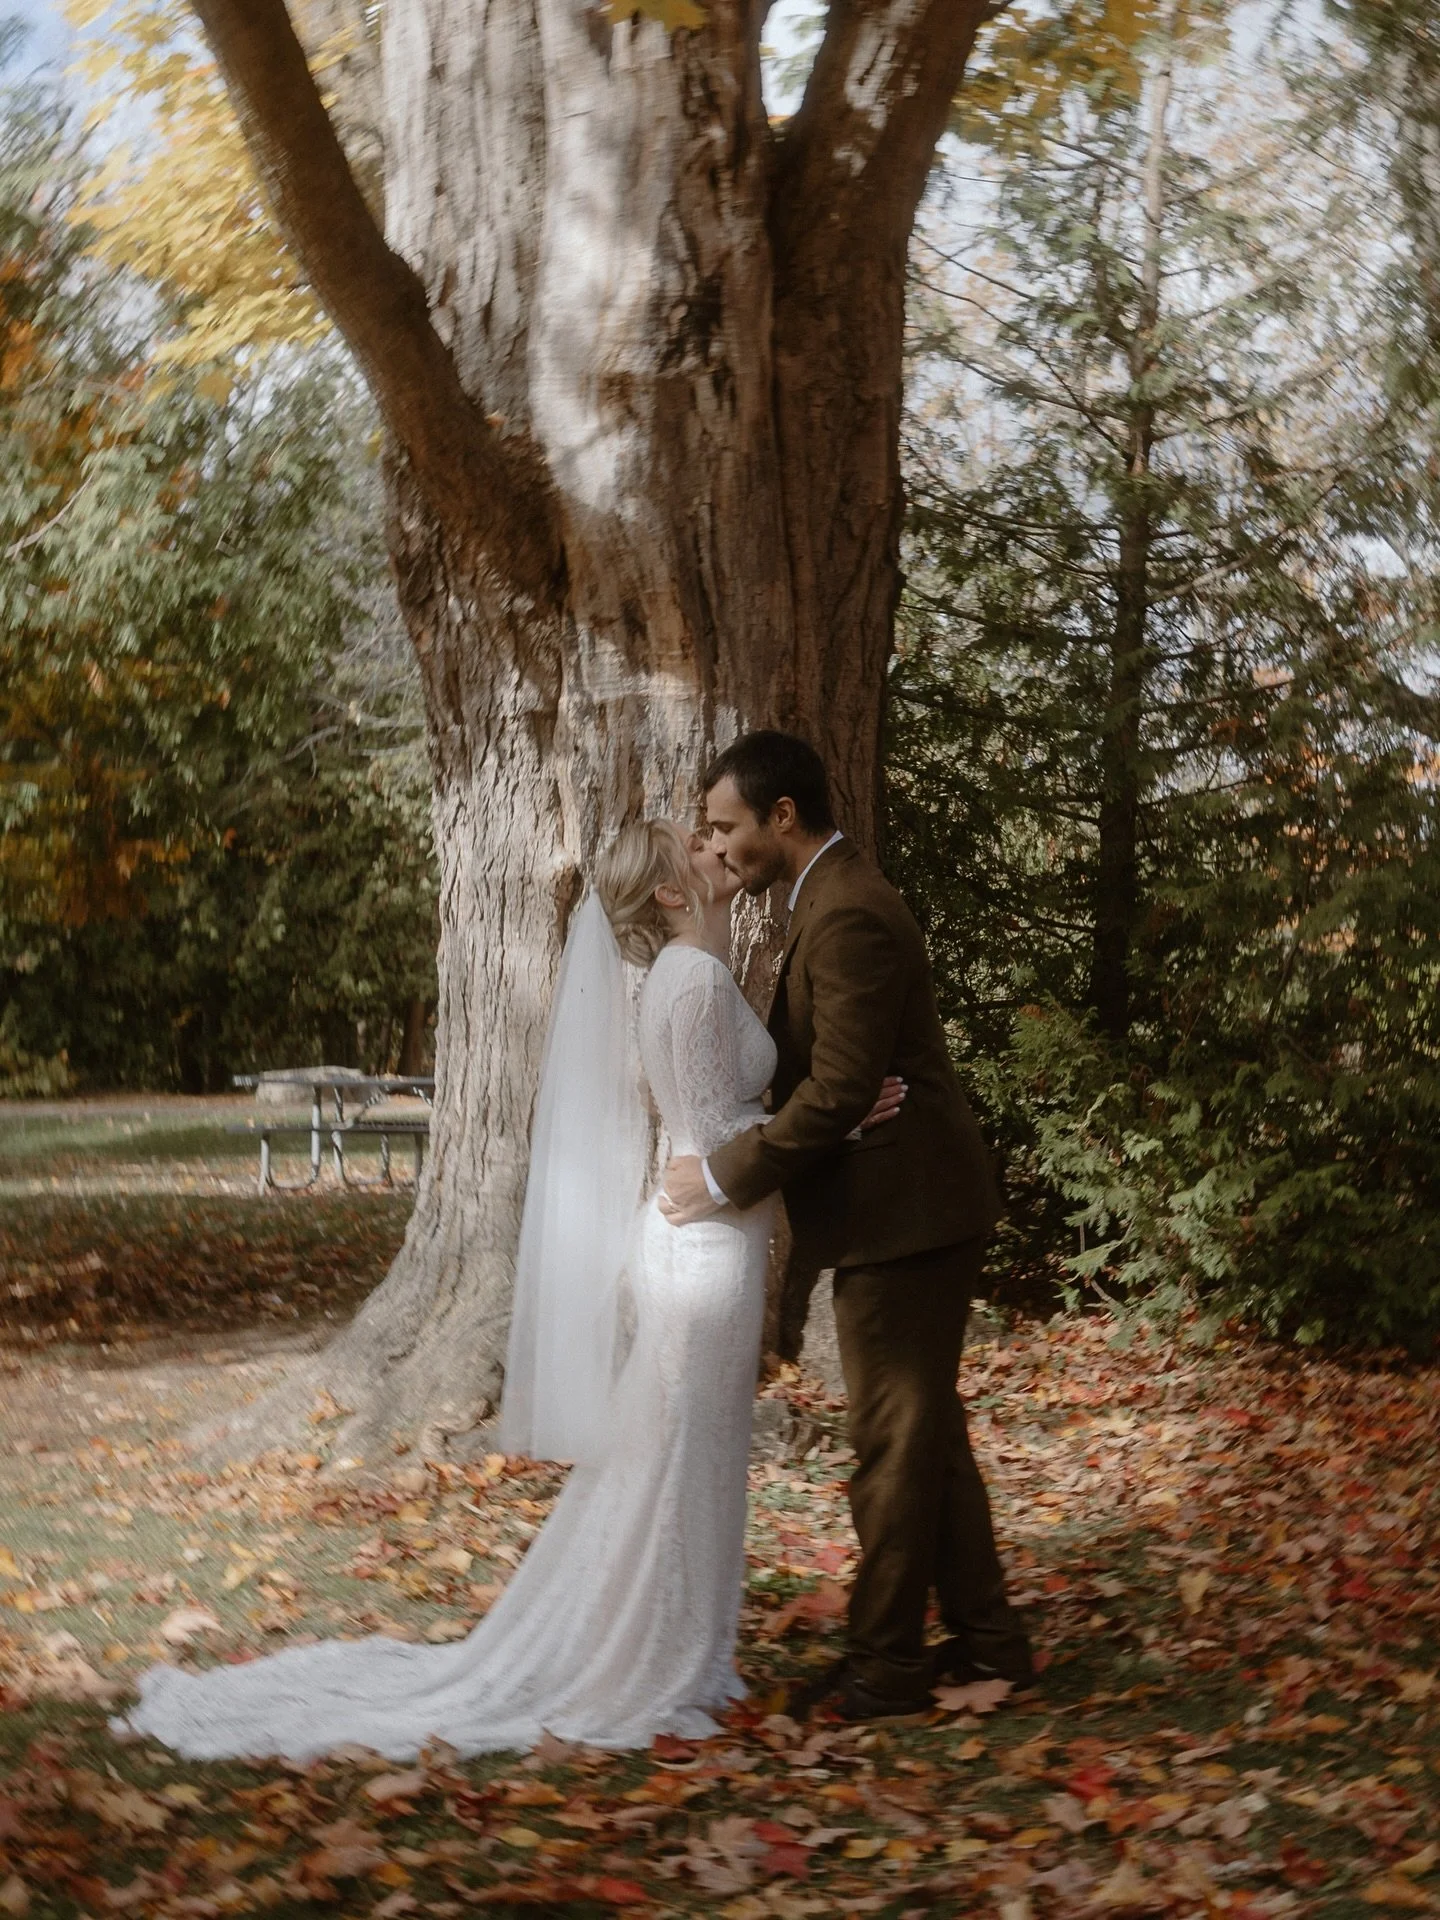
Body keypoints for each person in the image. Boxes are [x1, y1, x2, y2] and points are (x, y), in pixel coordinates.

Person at [115, 818, 899, 1762]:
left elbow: (732, 1119)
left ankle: (668, 1642)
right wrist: (839, 1122)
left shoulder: (688, 972)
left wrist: (827, 1116)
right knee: (681, 1453)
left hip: (709, 1237)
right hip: (704, 1247)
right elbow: (719, 1134)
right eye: (692, 847)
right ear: (668, 892)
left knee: (681, 1451)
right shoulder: (692, 978)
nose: (713, 847)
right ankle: (648, 1658)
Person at [660, 730, 1033, 1722]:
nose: (718, 844)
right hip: (898, 1209)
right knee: (927, 1440)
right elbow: (832, 1085)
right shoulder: (824, 897)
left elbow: (839, 1090)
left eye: (728, 826)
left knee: (893, 1446)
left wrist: (725, 1175)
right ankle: (991, 1643)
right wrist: (828, 1099)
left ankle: (887, 1665)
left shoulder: (849, 910)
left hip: (907, 1216)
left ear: (783, 816)